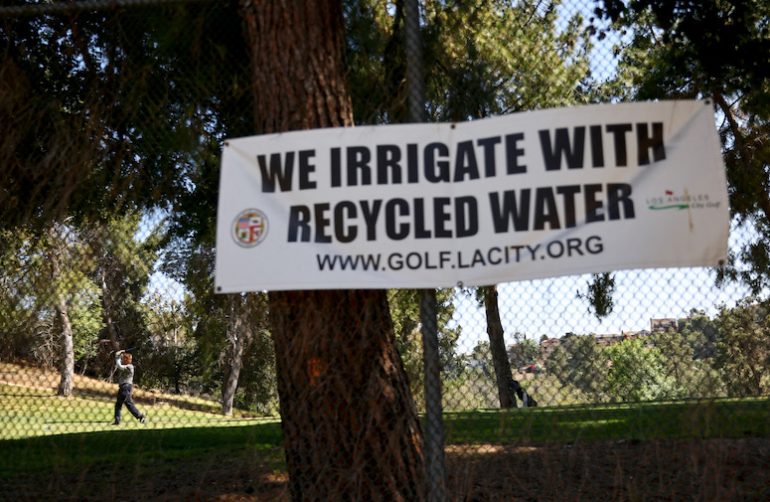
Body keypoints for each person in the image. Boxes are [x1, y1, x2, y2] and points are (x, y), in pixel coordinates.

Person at [113, 349, 147, 425]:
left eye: (123, 359)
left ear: (127, 360)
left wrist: (117, 356)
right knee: (118, 404)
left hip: (126, 387)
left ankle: (140, 416)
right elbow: (120, 365)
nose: (122, 360)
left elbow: (119, 366)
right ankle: (117, 420)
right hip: (123, 387)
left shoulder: (129, 367)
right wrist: (119, 355)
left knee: (128, 404)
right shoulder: (126, 366)